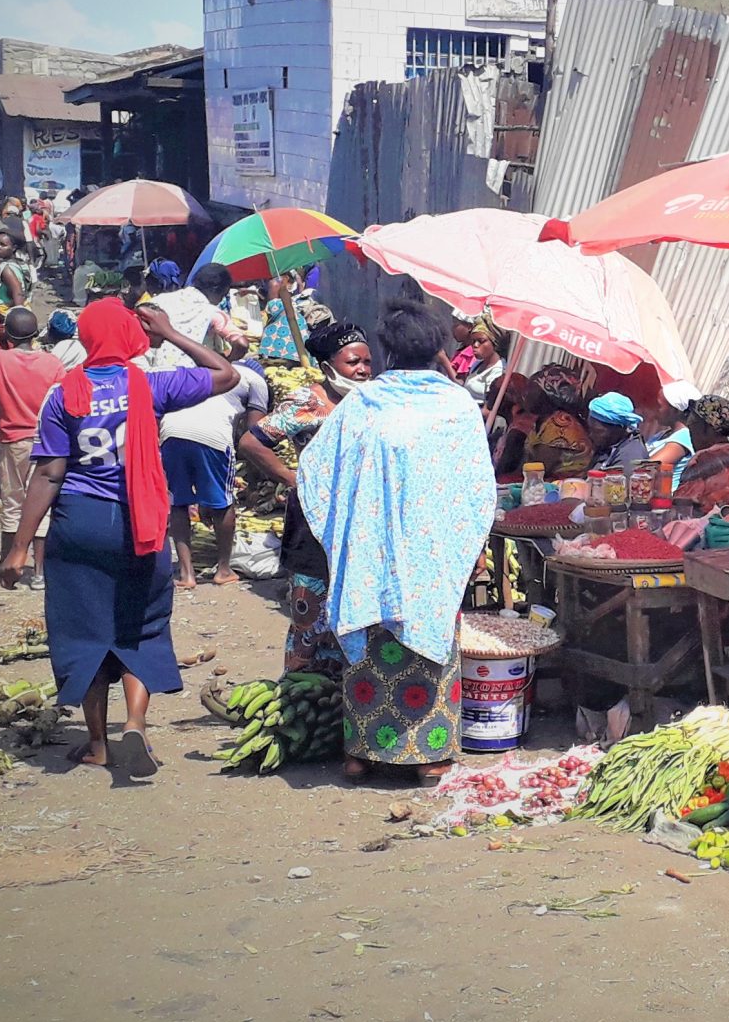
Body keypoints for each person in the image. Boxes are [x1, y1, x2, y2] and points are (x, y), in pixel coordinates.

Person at [0, 299, 235, 779]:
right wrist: (170, 334)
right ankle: (135, 724)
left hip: (80, 522)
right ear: (131, 337)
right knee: (140, 626)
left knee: (85, 630)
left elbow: (48, 473)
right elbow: (226, 374)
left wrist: (20, 545)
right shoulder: (151, 386)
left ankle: (98, 744)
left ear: (85, 339)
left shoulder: (63, 393)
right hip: (141, 522)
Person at [293, 298, 495, 782]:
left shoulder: (362, 403)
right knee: (431, 637)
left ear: (386, 349)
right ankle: (430, 754)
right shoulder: (457, 405)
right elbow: (477, 488)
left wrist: (349, 529)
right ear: (439, 349)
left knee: (372, 635)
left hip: (371, 551)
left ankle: (361, 752)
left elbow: (315, 469)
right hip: (434, 554)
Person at [236, 321, 371, 578]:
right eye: (353, 363)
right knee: (313, 589)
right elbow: (251, 443)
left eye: (367, 362)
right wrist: (292, 479)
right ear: (327, 367)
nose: (363, 370)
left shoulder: (370, 398)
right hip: (315, 511)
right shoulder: (308, 402)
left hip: (359, 510)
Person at [159, 338, 269, 587]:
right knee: (222, 501)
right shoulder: (256, 380)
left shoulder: (207, 371)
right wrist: (256, 476)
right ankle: (224, 570)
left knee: (178, 502)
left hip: (171, 431)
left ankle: (186, 574)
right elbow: (256, 431)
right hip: (212, 437)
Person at [0, 307, 66, 588]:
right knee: (41, 504)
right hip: (46, 442)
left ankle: (8, 566)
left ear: (8, 335)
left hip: (11, 439)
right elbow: (61, 402)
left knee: (13, 502)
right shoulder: (53, 363)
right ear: (35, 334)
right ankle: (39, 572)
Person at [670, 394, 729, 510]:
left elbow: (679, 509)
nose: (691, 433)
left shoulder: (702, 462)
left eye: (693, 426)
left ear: (708, 428)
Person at [523, 370, 595, 481]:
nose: (525, 394)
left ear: (549, 394)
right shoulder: (544, 419)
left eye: (532, 390)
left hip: (565, 488)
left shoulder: (560, 423)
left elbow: (542, 467)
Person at [640, 395, 695, 493]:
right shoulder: (663, 434)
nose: (656, 409)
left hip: (662, 499)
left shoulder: (683, 437)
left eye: (659, 406)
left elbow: (649, 467)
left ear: (675, 410)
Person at [587, 391, 649, 469]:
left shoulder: (628, 458)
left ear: (619, 428)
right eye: (590, 429)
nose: (591, 435)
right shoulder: (609, 445)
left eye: (598, 431)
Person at [0, 229, 33, 311]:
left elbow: (18, 292)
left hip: (6, 310)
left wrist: (19, 312)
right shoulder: (22, 264)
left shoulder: (6, 268)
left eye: (3, 245)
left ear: (13, 248)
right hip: (25, 305)